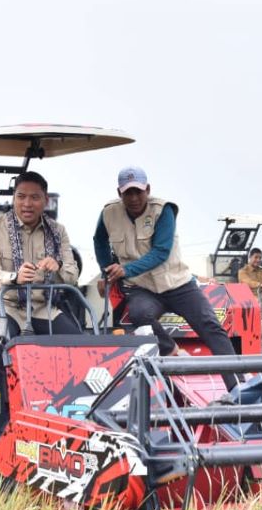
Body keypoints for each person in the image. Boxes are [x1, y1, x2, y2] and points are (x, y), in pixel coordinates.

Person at [93, 166, 239, 391]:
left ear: (148, 190)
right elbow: (99, 240)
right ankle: (171, 351)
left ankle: (238, 387)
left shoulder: (164, 210)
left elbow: (161, 252)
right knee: (139, 314)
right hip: (142, 287)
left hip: (178, 284)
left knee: (211, 325)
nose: (134, 198)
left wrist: (125, 270)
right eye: (128, 193)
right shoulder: (109, 213)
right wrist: (107, 271)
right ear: (119, 193)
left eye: (138, 191)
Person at [0, 172, 80, 413]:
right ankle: (12, 412)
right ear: (13, 198)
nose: (27, 204)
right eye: (21, 197)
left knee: (76, 342)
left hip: (41, 307)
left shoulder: (58, 232)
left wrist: (58, 267)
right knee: (5, 339)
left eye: (34, 197)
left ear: (46, 200)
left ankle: (66, 411)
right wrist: (14, 277)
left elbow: (72, 276)